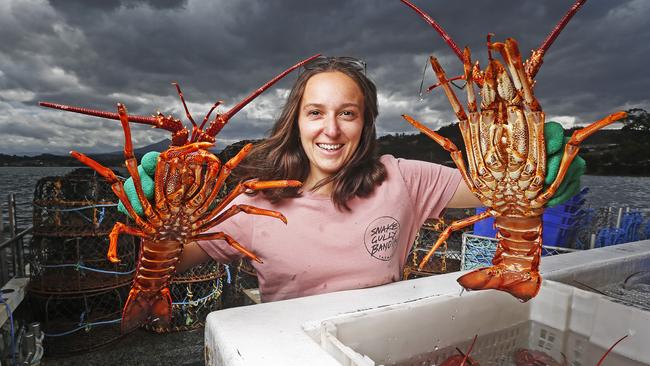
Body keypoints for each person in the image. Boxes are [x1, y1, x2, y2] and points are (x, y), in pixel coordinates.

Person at [123, 56, 583, 302]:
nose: (331, 129)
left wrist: (540, 169)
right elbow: (173, 256)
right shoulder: (251, 201)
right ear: (295, 122)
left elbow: (494, 190)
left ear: (365, 124)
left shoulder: (402, 178)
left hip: (377, 343)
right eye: (315, 113)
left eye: (348, 113)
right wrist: (149, 216)